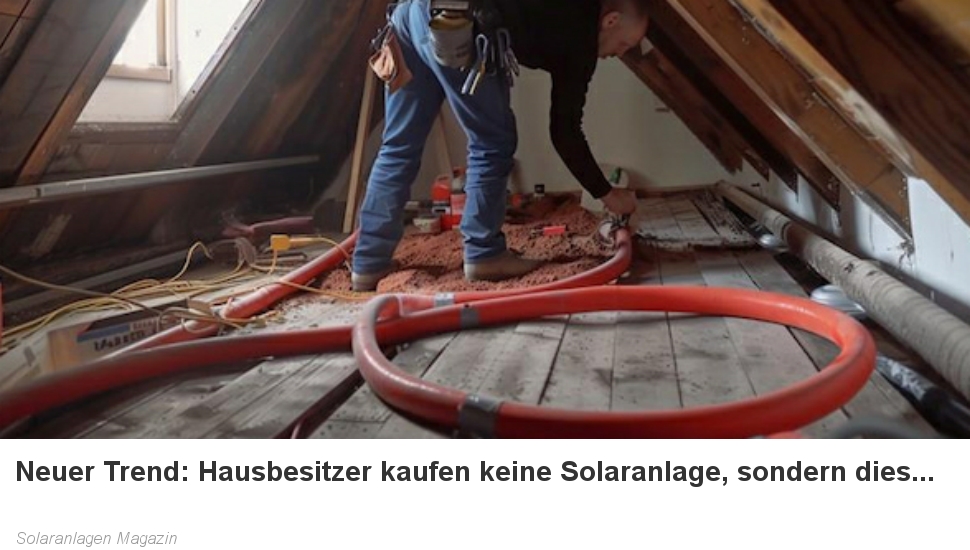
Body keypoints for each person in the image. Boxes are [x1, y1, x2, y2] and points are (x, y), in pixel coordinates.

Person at [351, 0, 648, 292]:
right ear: (611, 20)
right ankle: (483, 254)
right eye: (625, 43)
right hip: (455, 19)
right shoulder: (581, 37)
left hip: (409, 15)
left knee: (398, 147)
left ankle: (368, 262)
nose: (621, 53)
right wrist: (607, 194)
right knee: (492, 142)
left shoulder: (569, 17)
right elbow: (565, 132)